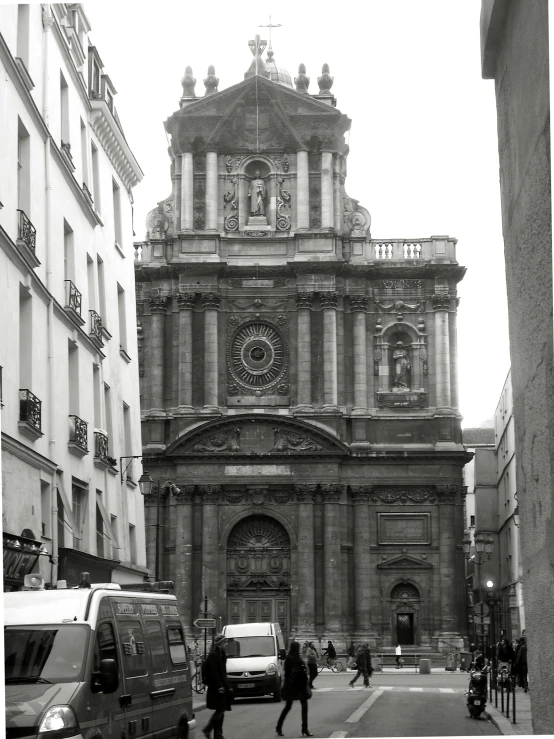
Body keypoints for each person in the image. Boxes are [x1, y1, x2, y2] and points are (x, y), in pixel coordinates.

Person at [276, 641, 313, 737]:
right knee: (304, 706)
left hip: (290, 686)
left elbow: (286, 673)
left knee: (288, 707)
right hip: (299, 686)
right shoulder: (298, 660)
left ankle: (279, 727)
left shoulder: (288, 659)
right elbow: (304, 672)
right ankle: (304, 728)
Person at [202, 634, 232, 739]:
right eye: (225, 642)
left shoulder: (221, 654)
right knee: (221, 710)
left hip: (222, 686)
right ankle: (208, 729)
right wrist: (220, 686)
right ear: (220, 644)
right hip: (216, 687)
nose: (226, 644)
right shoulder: (213, 655)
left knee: (221, 710)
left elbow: (223, 672)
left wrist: (228, 686)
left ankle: (218, 734)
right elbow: (214, 673)